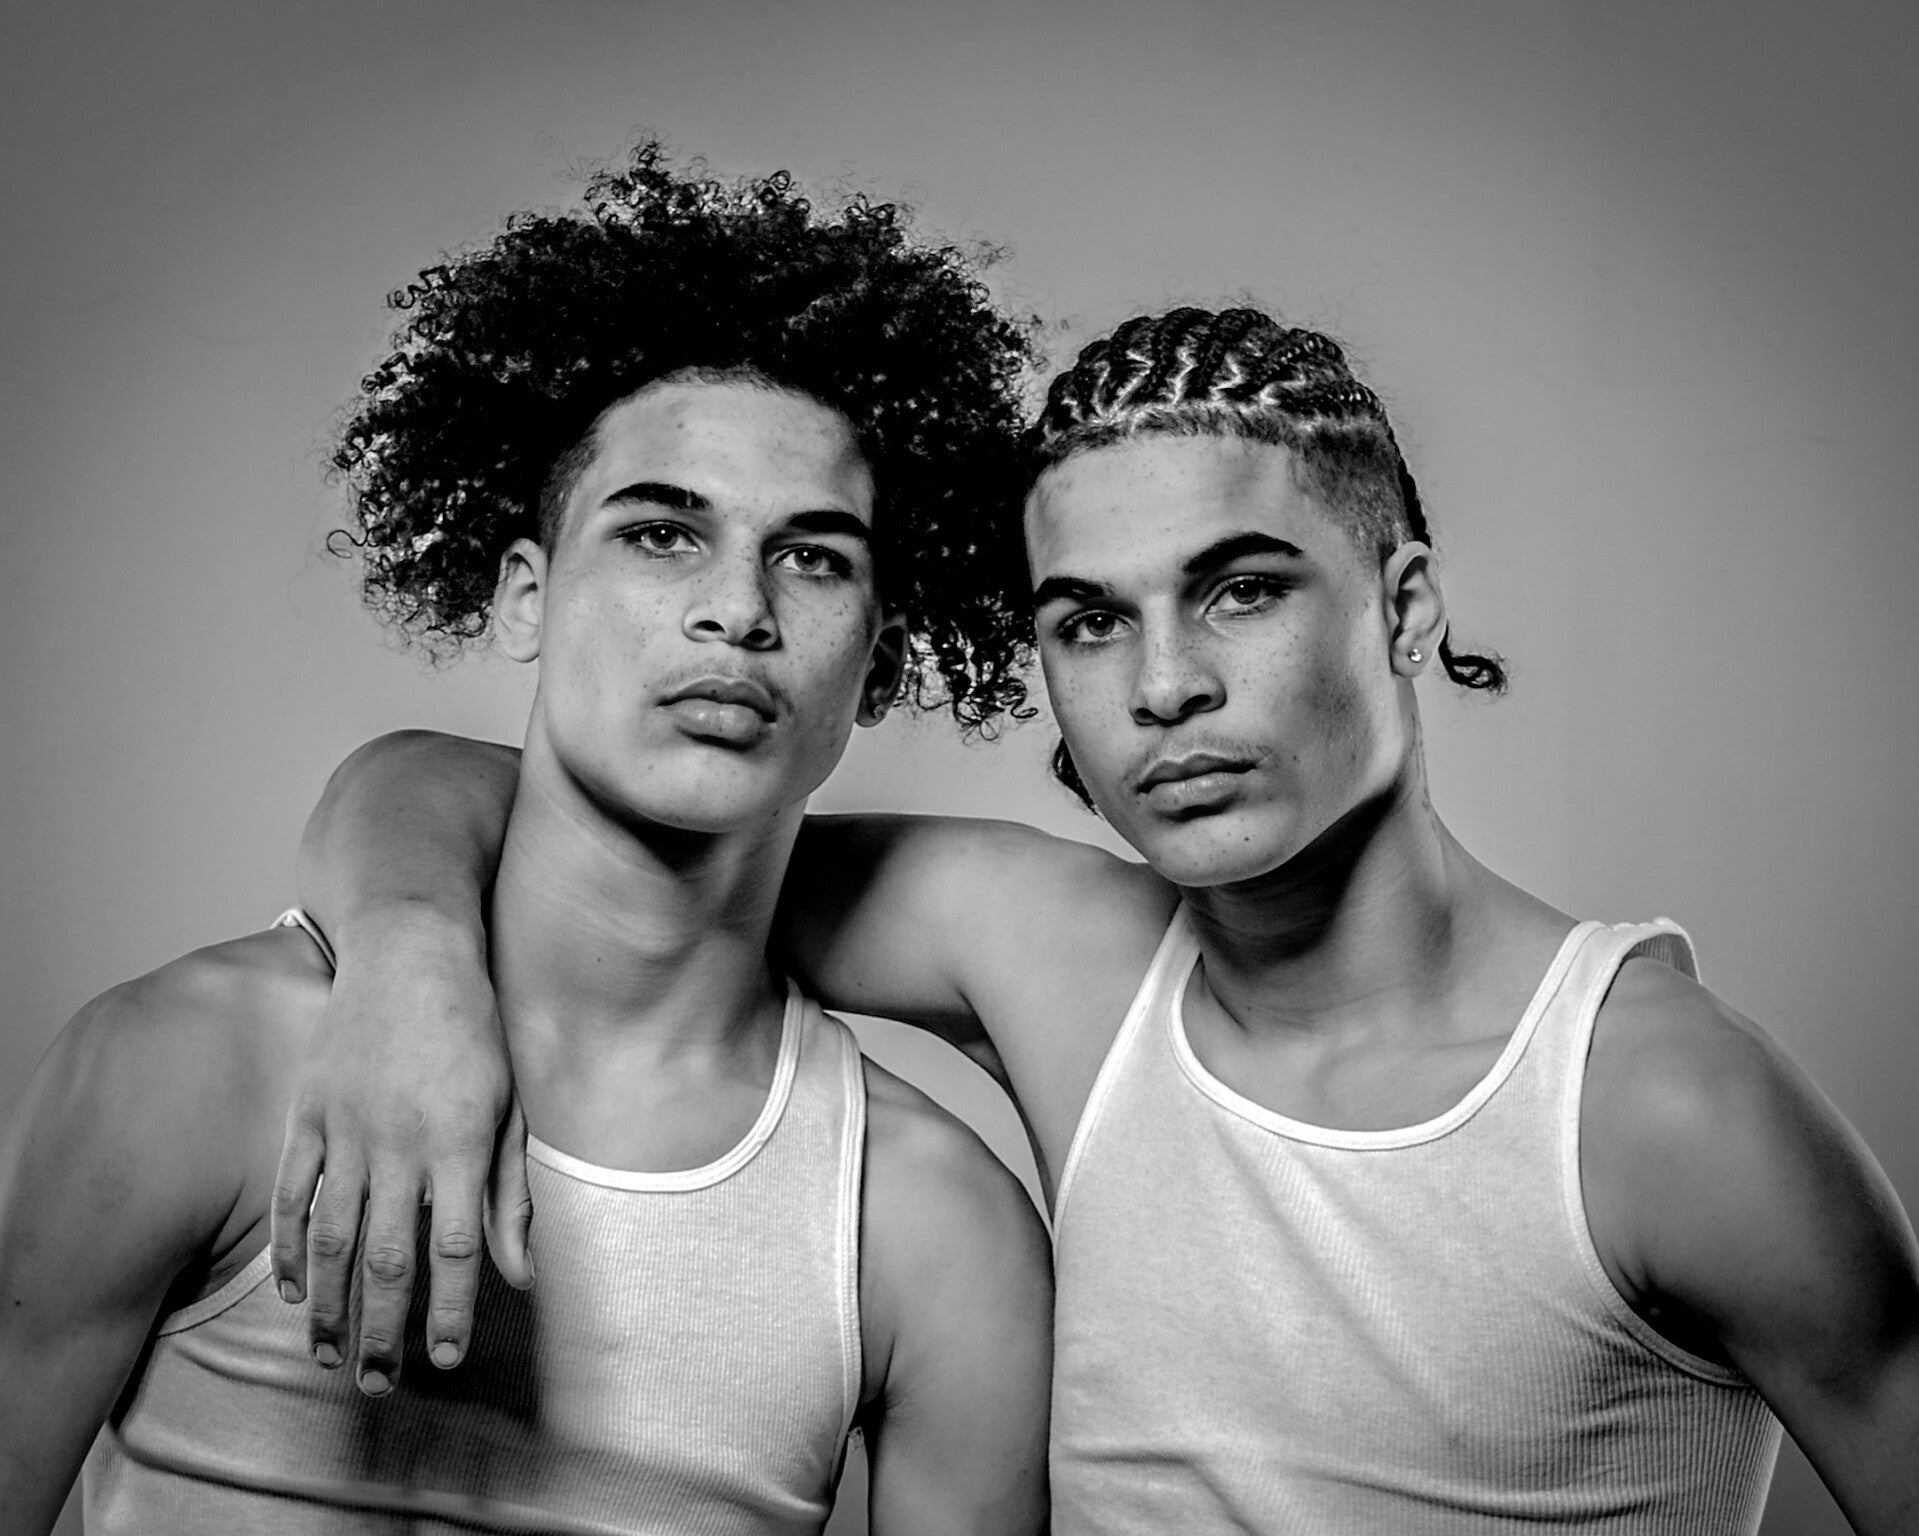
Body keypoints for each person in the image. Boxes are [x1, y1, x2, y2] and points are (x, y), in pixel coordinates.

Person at [278, 306, 1919, 1533]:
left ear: (1405, 605)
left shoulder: (1656, 1105)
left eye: (1243, 589)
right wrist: (411, 968)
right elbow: (512, 795)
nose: (1166, 684)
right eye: (1088, 620)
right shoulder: (1063, 958)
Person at [0, 145, 1053, 1536]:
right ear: (521, 598)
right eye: (662, 534)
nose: (737, 610)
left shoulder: (931, 1228)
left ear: (878, 664)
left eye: (813, 557)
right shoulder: (192, 1063)